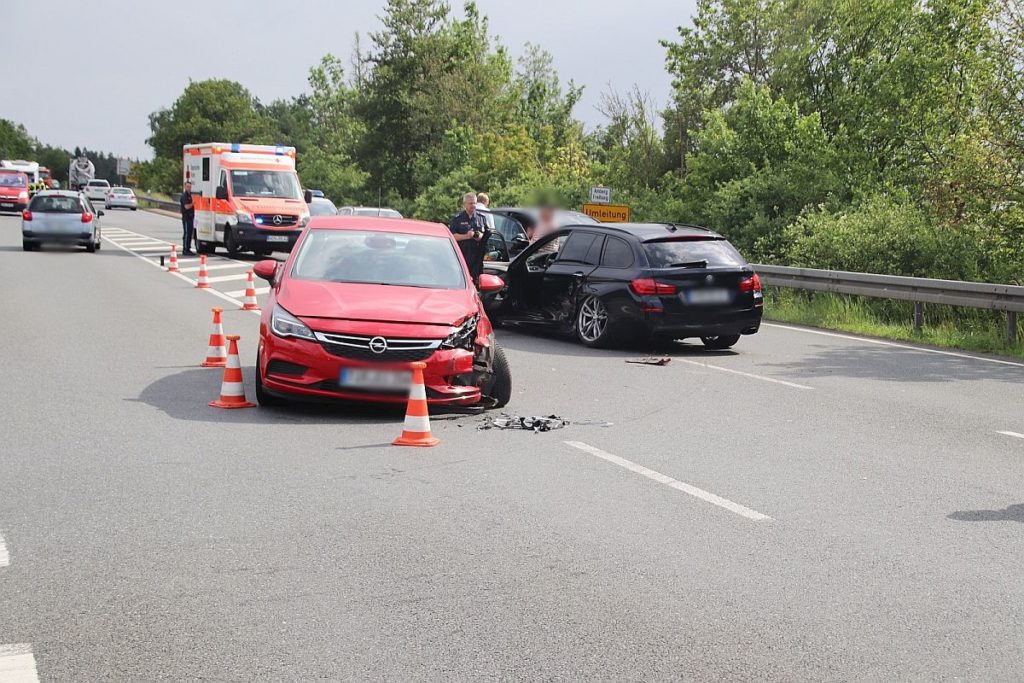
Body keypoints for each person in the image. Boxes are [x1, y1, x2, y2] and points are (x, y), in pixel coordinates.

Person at [449, 192, 488, 283]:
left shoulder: (481, 217)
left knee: (476, 280)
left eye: (474, 203)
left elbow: (486, 234)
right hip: (463, 254)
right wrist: (466, 236)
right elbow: (452, 236)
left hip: (477, 255)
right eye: (470, 203)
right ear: (464, 204)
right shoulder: (457, 219)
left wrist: (479, 236)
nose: (473, 205)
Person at [180, 181, 196, 255]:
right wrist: (193, 203)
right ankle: (185, 249)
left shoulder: (190, 195)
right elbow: (186, 206)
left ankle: (188, 248)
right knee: (186, 233)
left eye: (190, 187)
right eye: (187, 187)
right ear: (185, 187)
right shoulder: (184, 196)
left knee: (190, 233)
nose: (189, 188)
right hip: (186, 218)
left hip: (191, 217)